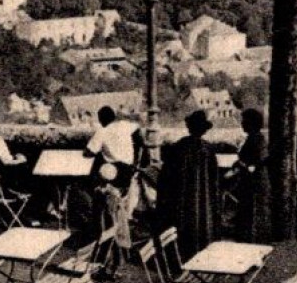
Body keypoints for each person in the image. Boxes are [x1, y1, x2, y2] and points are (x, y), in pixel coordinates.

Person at [157, 109, 221, 259]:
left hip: (183, 198)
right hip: (203, 199)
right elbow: (215, 179)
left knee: (183, 222)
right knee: (203, 221)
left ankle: (182, 255)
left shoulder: (179, 147)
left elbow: (166, 176)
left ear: (189, 127)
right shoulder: (208, 149)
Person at [86, 105, 142, 271]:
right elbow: (138, 131)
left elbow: (88, 152)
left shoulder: (102, 131)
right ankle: (118, 253)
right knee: (119, 213)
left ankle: (108, 255)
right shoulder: (125, 125)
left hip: (114, 176)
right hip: (128, 174)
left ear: (102, 120)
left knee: (107, 215)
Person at [232, 107, 273, 241]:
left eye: (244, 121)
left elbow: (256, 165)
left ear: (252, 123)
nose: (242, 124)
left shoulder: (257, 140)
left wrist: (240, 164)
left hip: (255, 184)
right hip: (252, 183)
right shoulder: (254, 138)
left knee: (253, 215)